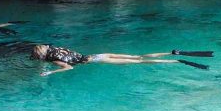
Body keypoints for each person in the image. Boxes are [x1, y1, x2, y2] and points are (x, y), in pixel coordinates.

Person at [31, 44, 209, 76]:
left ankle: (176, 62)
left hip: (97, 61)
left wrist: (50, 72)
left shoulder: (53, 60)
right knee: (138, 56)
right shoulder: (57, 49)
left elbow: (68, 68)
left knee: (138, 62)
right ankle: (173, 53)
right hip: (98, 54)